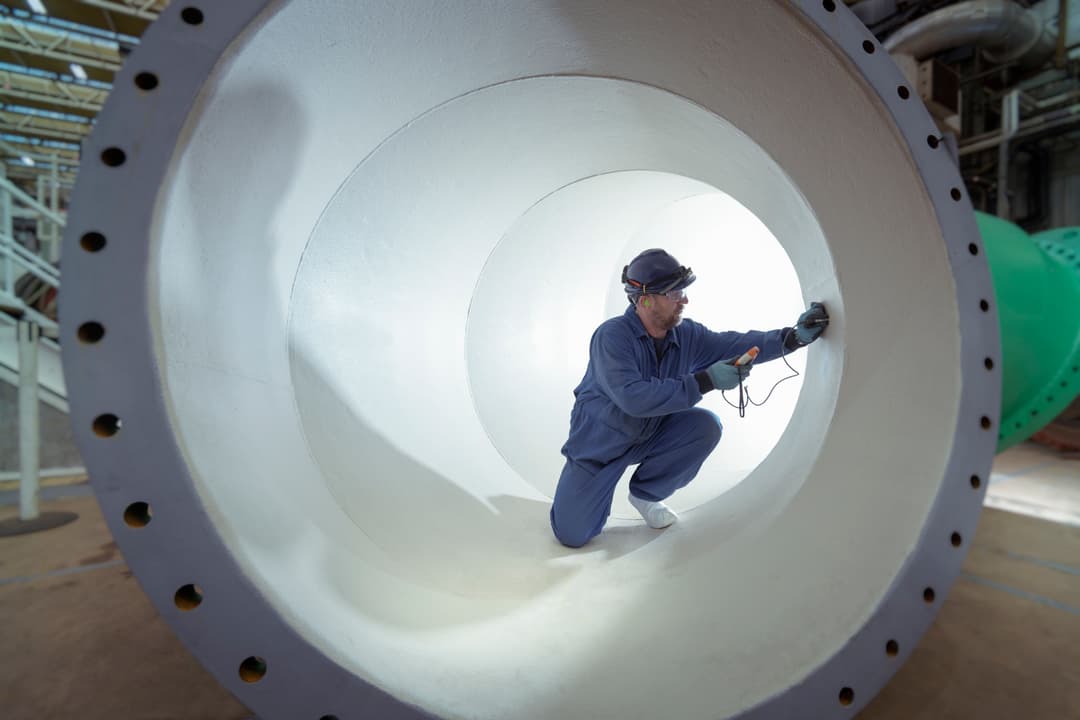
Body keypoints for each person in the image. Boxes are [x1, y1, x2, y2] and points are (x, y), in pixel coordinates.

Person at [549, 248, 829, 548]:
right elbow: (634, 399)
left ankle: (646, 495)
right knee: (573, 535)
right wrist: (705, 380)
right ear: (645, 300)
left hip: (651, 434)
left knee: (705, 425)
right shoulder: (612, 337)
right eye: (674, 293)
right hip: (599, 448)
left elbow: (734, 343)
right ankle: (587, 499)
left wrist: (792, 338)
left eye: (682, 291)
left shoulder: (686, 335)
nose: (684, 299)